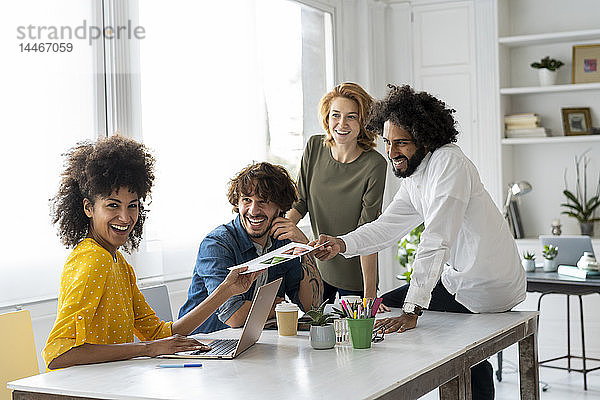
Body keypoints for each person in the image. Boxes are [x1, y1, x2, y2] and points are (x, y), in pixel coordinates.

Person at [312, 84, 527, 400]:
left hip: (485, 285)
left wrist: (413, 309)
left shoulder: (448, 163)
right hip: (463, 281)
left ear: (425, 140)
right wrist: (342, 244)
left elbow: (436, 239)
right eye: (387, 142)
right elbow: (386, 227)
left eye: (401, 143)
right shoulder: (416, 174)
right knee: (390, 307)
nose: (391, 151)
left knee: (390, 310)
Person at [43, 135, 262, 370]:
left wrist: (227, 289)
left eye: (133, 205)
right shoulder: (92, 259)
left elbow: (159, 334)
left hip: (108, 384)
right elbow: (59, 354)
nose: (126, 217)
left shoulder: (117, 262)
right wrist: (147, 349)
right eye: (113, 205)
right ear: (88, 208)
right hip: (79, 390)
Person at [178, 162, 323, 334]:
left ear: (280, 208)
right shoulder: (217, 244)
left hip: (255, 342)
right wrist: (276, 306)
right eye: (246, 200)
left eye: (263, 202)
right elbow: (234, 315)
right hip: (205, 343)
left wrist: (304, 247)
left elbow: (312, 308)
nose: (253, 211)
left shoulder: (284, 241)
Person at [285, 82, 387, 304]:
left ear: (363, 121)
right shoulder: (314, 147)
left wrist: (370, 295)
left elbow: (368, 230)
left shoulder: (375, 164)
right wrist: (282, 230)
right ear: (327, 117)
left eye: (351, 116)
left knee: (354, 337)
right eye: (336, 115)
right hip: (318, 269)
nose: (342, 124)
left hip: (356, 277)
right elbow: (300, 202)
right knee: (313, 335)